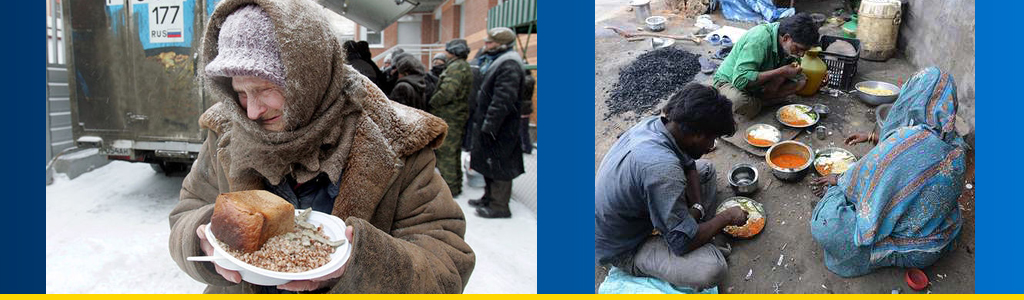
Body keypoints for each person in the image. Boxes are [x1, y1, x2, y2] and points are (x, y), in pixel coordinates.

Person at [167, 0, 474, 293]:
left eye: (265, 89)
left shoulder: (397, 140)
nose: (252, 112)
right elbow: (186, 212)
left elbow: (447, 264)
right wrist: (204, 237)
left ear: (309, 77)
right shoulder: (227, 131)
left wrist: (358, 265)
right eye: (242, 93)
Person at [809, 67, 965, 277]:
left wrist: (838, 180)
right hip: (939, 239)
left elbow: (870, 175)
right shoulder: (957, 145)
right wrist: (872, 137)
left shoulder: (909, 144)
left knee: (827, 224)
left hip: (910, 249)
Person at [595, 83, 747, 291]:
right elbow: (680, 244)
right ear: (697, 135)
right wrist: (727, 217)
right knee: (713, 268)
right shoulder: (662, 170)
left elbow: (689, 164)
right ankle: (691, 235)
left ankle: (693, 227)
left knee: (707, 171)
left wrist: (697, 209)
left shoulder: (661, 125)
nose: (711, 146)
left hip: (634, 210)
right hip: (624, 246)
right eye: (712, 139)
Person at [711, 13, 819, 119]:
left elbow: (793, 67)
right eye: (799, 49)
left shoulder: (785, 39)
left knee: (801, 81)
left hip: (758, 81)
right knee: (738, 101)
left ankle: (760, 100)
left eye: (805, 50)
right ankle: (764, 102)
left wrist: (781, 77)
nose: (801, 54)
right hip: (729, 81)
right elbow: (740, 81)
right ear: (786, 38)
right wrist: (781, 72)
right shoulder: (759, 39)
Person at [467, 27, 527, 218]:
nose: (486, 45)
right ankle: (489, 197)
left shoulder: (509, 64)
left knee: (499, 165)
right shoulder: (499, 60)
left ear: (501, 45)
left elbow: (503, 100)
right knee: (489, 163)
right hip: (493, 125)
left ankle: (499, 206)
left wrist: (490, 126)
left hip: (501, 128)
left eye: (490, 42)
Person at [429, 39, 473, 197]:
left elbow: (448, 91)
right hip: (456, 115)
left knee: (447, 153)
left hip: (451, 115)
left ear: (453, 52)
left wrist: (432, 103)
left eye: (447, 50)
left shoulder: (456, 67)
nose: (445, 53)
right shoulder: (461, 66)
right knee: (453, 153)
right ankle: (454, 185)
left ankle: (449, 190)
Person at [519, 70, 536, 154]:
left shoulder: (527, 81)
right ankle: (526, 146)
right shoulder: (530, 79)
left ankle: (526, 146)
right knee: (523, 128)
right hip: (526, 107)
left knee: (523, 129)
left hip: (523, 107)